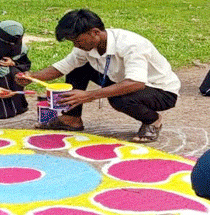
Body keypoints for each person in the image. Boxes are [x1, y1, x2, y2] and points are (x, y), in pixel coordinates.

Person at [16, 9, 180, 143]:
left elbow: (136, 83)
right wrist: (31, 76)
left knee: (118, 98)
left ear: (95, 32)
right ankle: (71, 119)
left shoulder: (131, 45)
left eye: (78, 41)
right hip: (121, 80)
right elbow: (62, 67)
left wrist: (88, 95)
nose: (76, 45)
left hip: (160, 91)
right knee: (77, 68)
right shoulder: (85, 47)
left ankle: (153, 120)